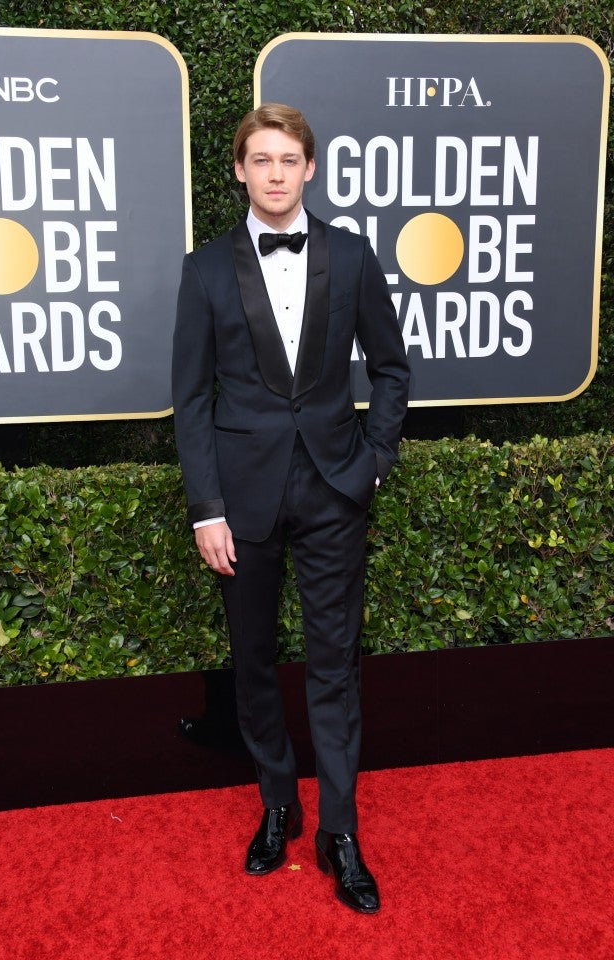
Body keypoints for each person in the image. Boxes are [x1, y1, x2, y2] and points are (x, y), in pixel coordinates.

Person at [172, 103, 410, 914]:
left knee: (336, 666)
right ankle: (278, 802)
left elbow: (392, 368)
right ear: (238, 170)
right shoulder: (203, 271)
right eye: (260, 159)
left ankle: (338, 830)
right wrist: (206, 508)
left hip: (336, 490)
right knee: (254, 662)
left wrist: (374, 462)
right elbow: (190, 401)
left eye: (289, 159)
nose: (275, 173)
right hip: (241, 501)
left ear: (310, 169)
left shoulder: (349, 256)